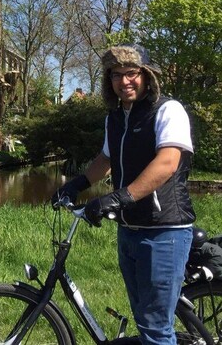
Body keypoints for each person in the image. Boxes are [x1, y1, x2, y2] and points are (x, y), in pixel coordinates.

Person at [54, 44, 195, 345]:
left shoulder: (168, 110)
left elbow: (168, 162)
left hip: (163, 231)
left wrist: (120, 197)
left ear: (146, 76)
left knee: (156, 330)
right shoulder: (115, 118)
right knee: (145, 322)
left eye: (131, 73)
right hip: (128, 231)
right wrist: (76, 183)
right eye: (116, 75)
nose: (124, 81)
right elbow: (105, 159)